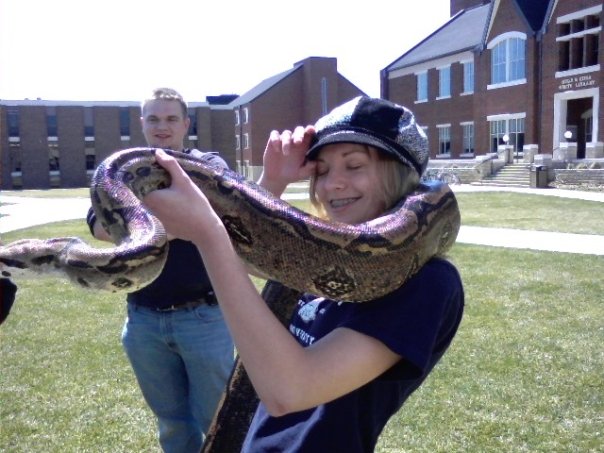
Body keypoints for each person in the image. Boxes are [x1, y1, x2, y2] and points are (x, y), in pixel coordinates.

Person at [143, 96, 464, 452]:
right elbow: (246, 257)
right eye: (322, 170)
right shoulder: (317, 254)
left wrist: (207, 233)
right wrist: (273, 181)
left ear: (401, 174)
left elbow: (290, 390)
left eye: (354, 166)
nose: (332, 185)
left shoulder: (426, 282)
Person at [86, 88, 234, 453]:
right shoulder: (121, 169)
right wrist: (181, 223)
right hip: (143, 321)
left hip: (204, 317)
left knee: (219, 419)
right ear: (142, 124)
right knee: (171, 423)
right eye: (153, 119)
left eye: (170, 119)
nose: (162, 126)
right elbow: (99, 227)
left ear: (186, 124)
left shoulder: (209, 165)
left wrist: (140, 221)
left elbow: (222, 220)